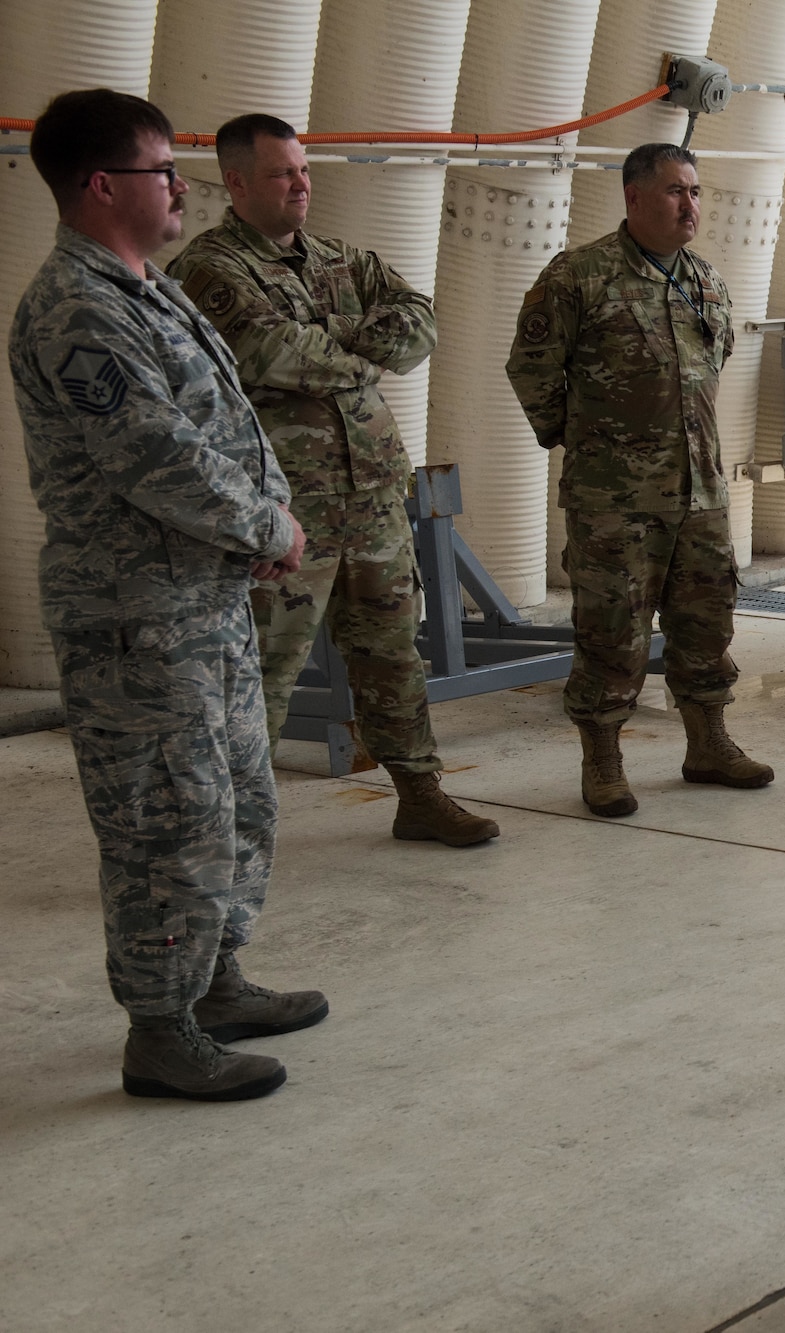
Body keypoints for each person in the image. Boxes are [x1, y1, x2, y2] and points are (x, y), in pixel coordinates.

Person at [10, 89, 327, 1100]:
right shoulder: (77, 309)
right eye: (162, 171)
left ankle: (213, 979)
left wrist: (265, 519)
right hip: (136, 623)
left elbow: (227, 421)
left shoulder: (145, 288)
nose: (180, 187)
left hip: (203, 603)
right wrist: (267, 527)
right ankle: (159, 1026)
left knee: (237, 799)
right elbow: (162, 457)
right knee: (165, 822)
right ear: (104, 186)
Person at [167, 114, 496, 846]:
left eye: (305, 171)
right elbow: (274, 354)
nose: (300, 184)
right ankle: (228, 830)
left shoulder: (340, 258)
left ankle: (419, 792)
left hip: (371, 498)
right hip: (284, 511)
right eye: (284, 173)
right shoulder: (210, 269)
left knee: (392, 654)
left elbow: (420, 320)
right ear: (237, 182)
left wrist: (335, 342)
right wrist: (360, 346)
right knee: (260, 669)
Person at [506, 142, 771, 817]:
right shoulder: (579, 277)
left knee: (707, 621)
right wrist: (589, 441)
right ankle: (603, 762)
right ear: (633, 197)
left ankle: (708, 742)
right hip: (613, 502)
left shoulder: (705, 279)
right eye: (676, 191)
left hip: (700, 492)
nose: (691, 204)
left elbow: (717, 358)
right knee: (611, 630)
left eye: (696, 191)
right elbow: (531, 367)